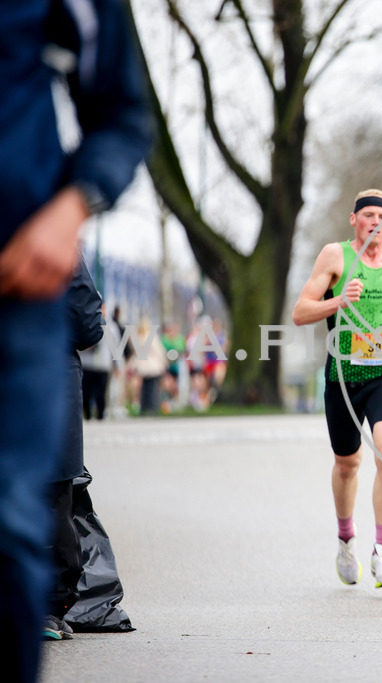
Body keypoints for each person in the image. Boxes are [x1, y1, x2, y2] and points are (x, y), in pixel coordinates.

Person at [0, 1, 151, 679]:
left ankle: (49, 607)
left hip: (18, 294)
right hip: (57, 353)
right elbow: (91, 322)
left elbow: (123, 111)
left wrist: (69, 208)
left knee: (14, 521)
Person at [292, 189, 382, 588]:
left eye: (381, 218)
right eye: (367, 215)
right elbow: (300, 312)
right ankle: (346, 539)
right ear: (355, 220)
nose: (375, 223)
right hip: (343, 378)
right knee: (348, 464)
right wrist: (337, 303)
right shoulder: (335, 256)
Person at [44, 261, 104, 640]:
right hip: (48, 371)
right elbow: (87, 324)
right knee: (53, 491)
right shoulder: (55, 238)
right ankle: (49, 606)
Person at [81, 303, 122, 420]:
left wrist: (117, 365)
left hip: (103, 365)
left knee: (101, 393)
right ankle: (88, 416)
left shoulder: (111, 326)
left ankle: (100, 416)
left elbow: (116, 347)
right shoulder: (87, 323)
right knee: (86, 392)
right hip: (87, 364)